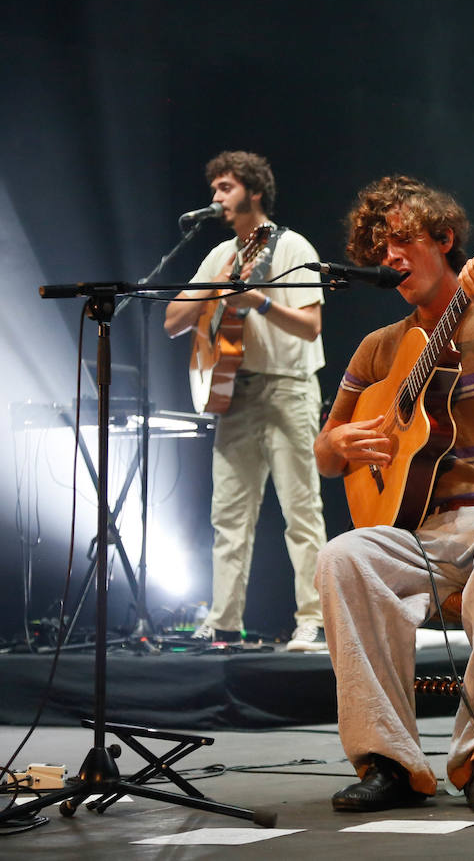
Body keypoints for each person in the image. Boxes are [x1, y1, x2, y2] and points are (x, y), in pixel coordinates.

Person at [313, 175, 474, 814]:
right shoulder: (379, 349)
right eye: (379, 249)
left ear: (444, 238)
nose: (389, 257)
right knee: (342, 557)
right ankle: (390, 763)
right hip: (426, 532)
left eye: (402, 239)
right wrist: (344, 444)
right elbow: (324, 453)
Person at [163, 151, 330, 649]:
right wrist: (216, 290)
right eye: (214, 189)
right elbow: (174, 321)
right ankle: (224, 622)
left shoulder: (292, 247)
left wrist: (257, 300)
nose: (215, 198)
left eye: (225, 188)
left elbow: (311, 325)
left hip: (288, 387)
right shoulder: (220, 255)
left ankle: (314, 619)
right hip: (234, 392)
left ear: (254, 192)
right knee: (228, 516)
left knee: (301, 510)